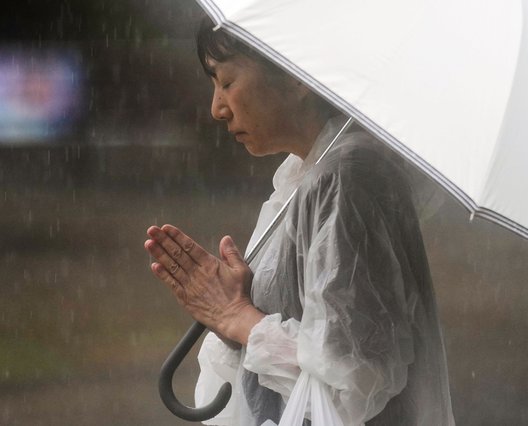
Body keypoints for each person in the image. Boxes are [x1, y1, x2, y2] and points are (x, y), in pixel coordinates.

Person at [144, 16, 455, 426]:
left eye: (227, 82)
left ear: (296, 75)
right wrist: (239, 309)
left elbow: (351, 381)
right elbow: (313, 344)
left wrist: (238, 317)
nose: (216, 108)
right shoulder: (306, 173)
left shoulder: (347, 177)